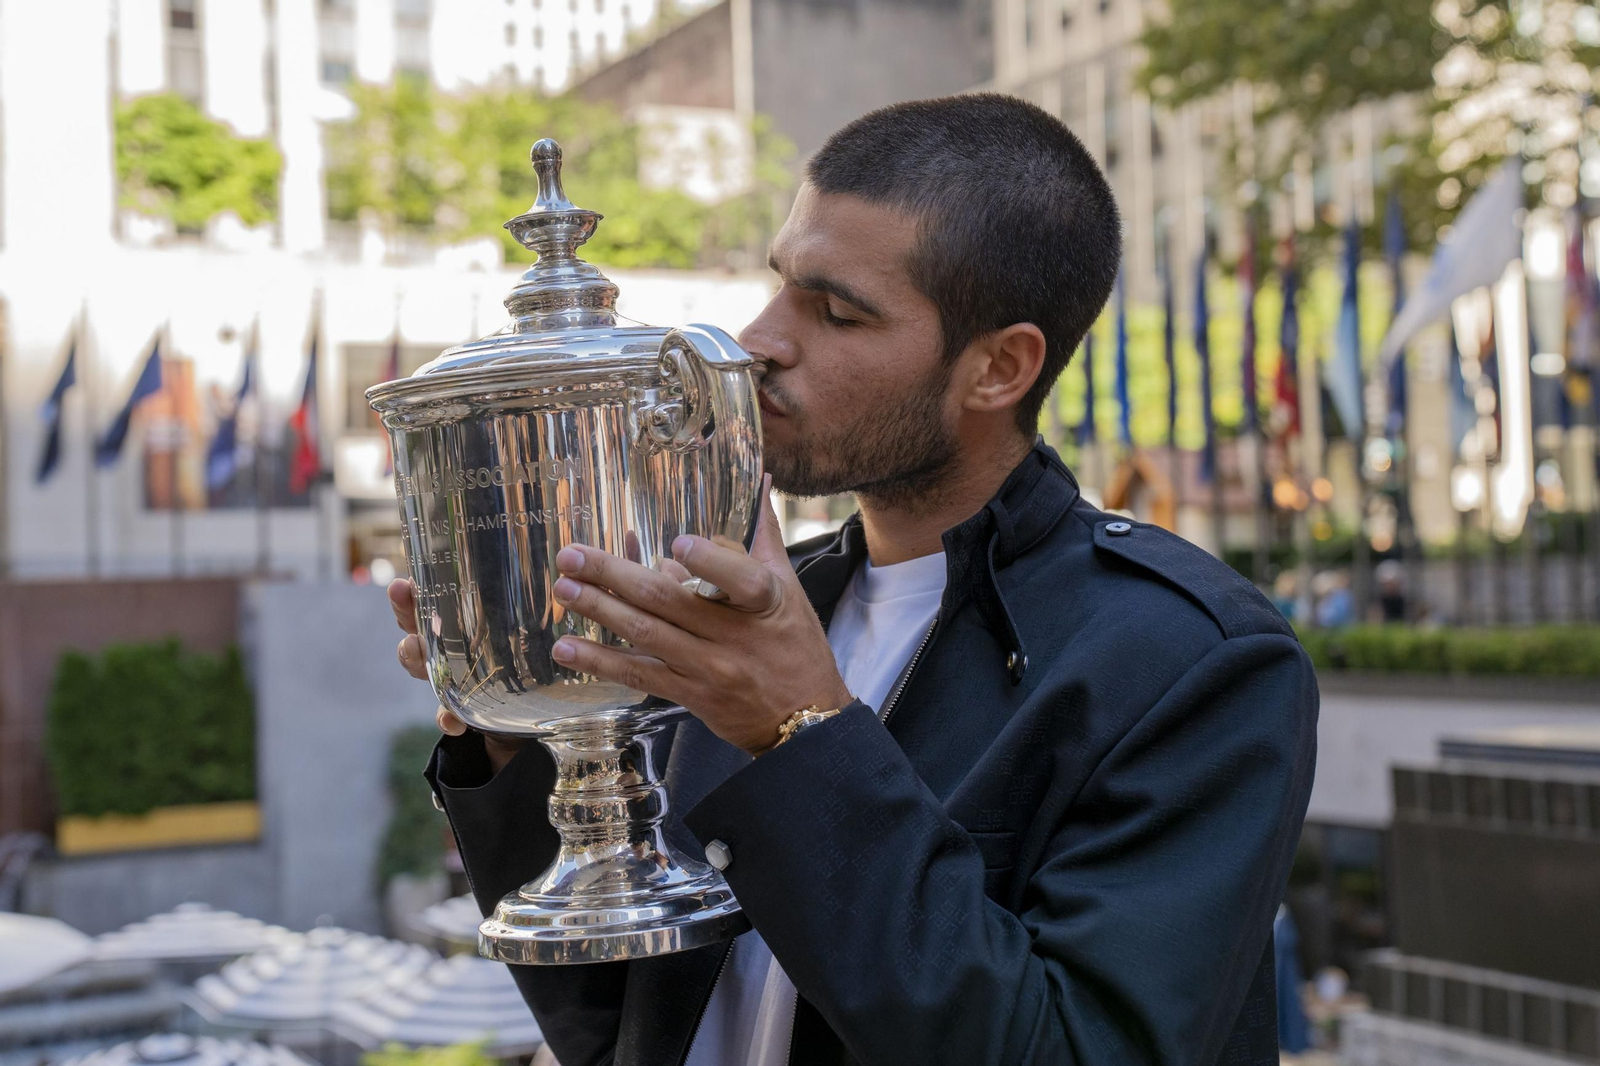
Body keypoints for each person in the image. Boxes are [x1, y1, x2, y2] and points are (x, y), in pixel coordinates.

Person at [389, 94, 1319, 1066]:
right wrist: (510, 727)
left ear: (998, 368)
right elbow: (611, 1022)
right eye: (780, 285)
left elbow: (1081, 1048)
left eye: (835, 312)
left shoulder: (1186, 658)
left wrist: (801, 734)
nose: (756, 340)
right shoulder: (742, 604)